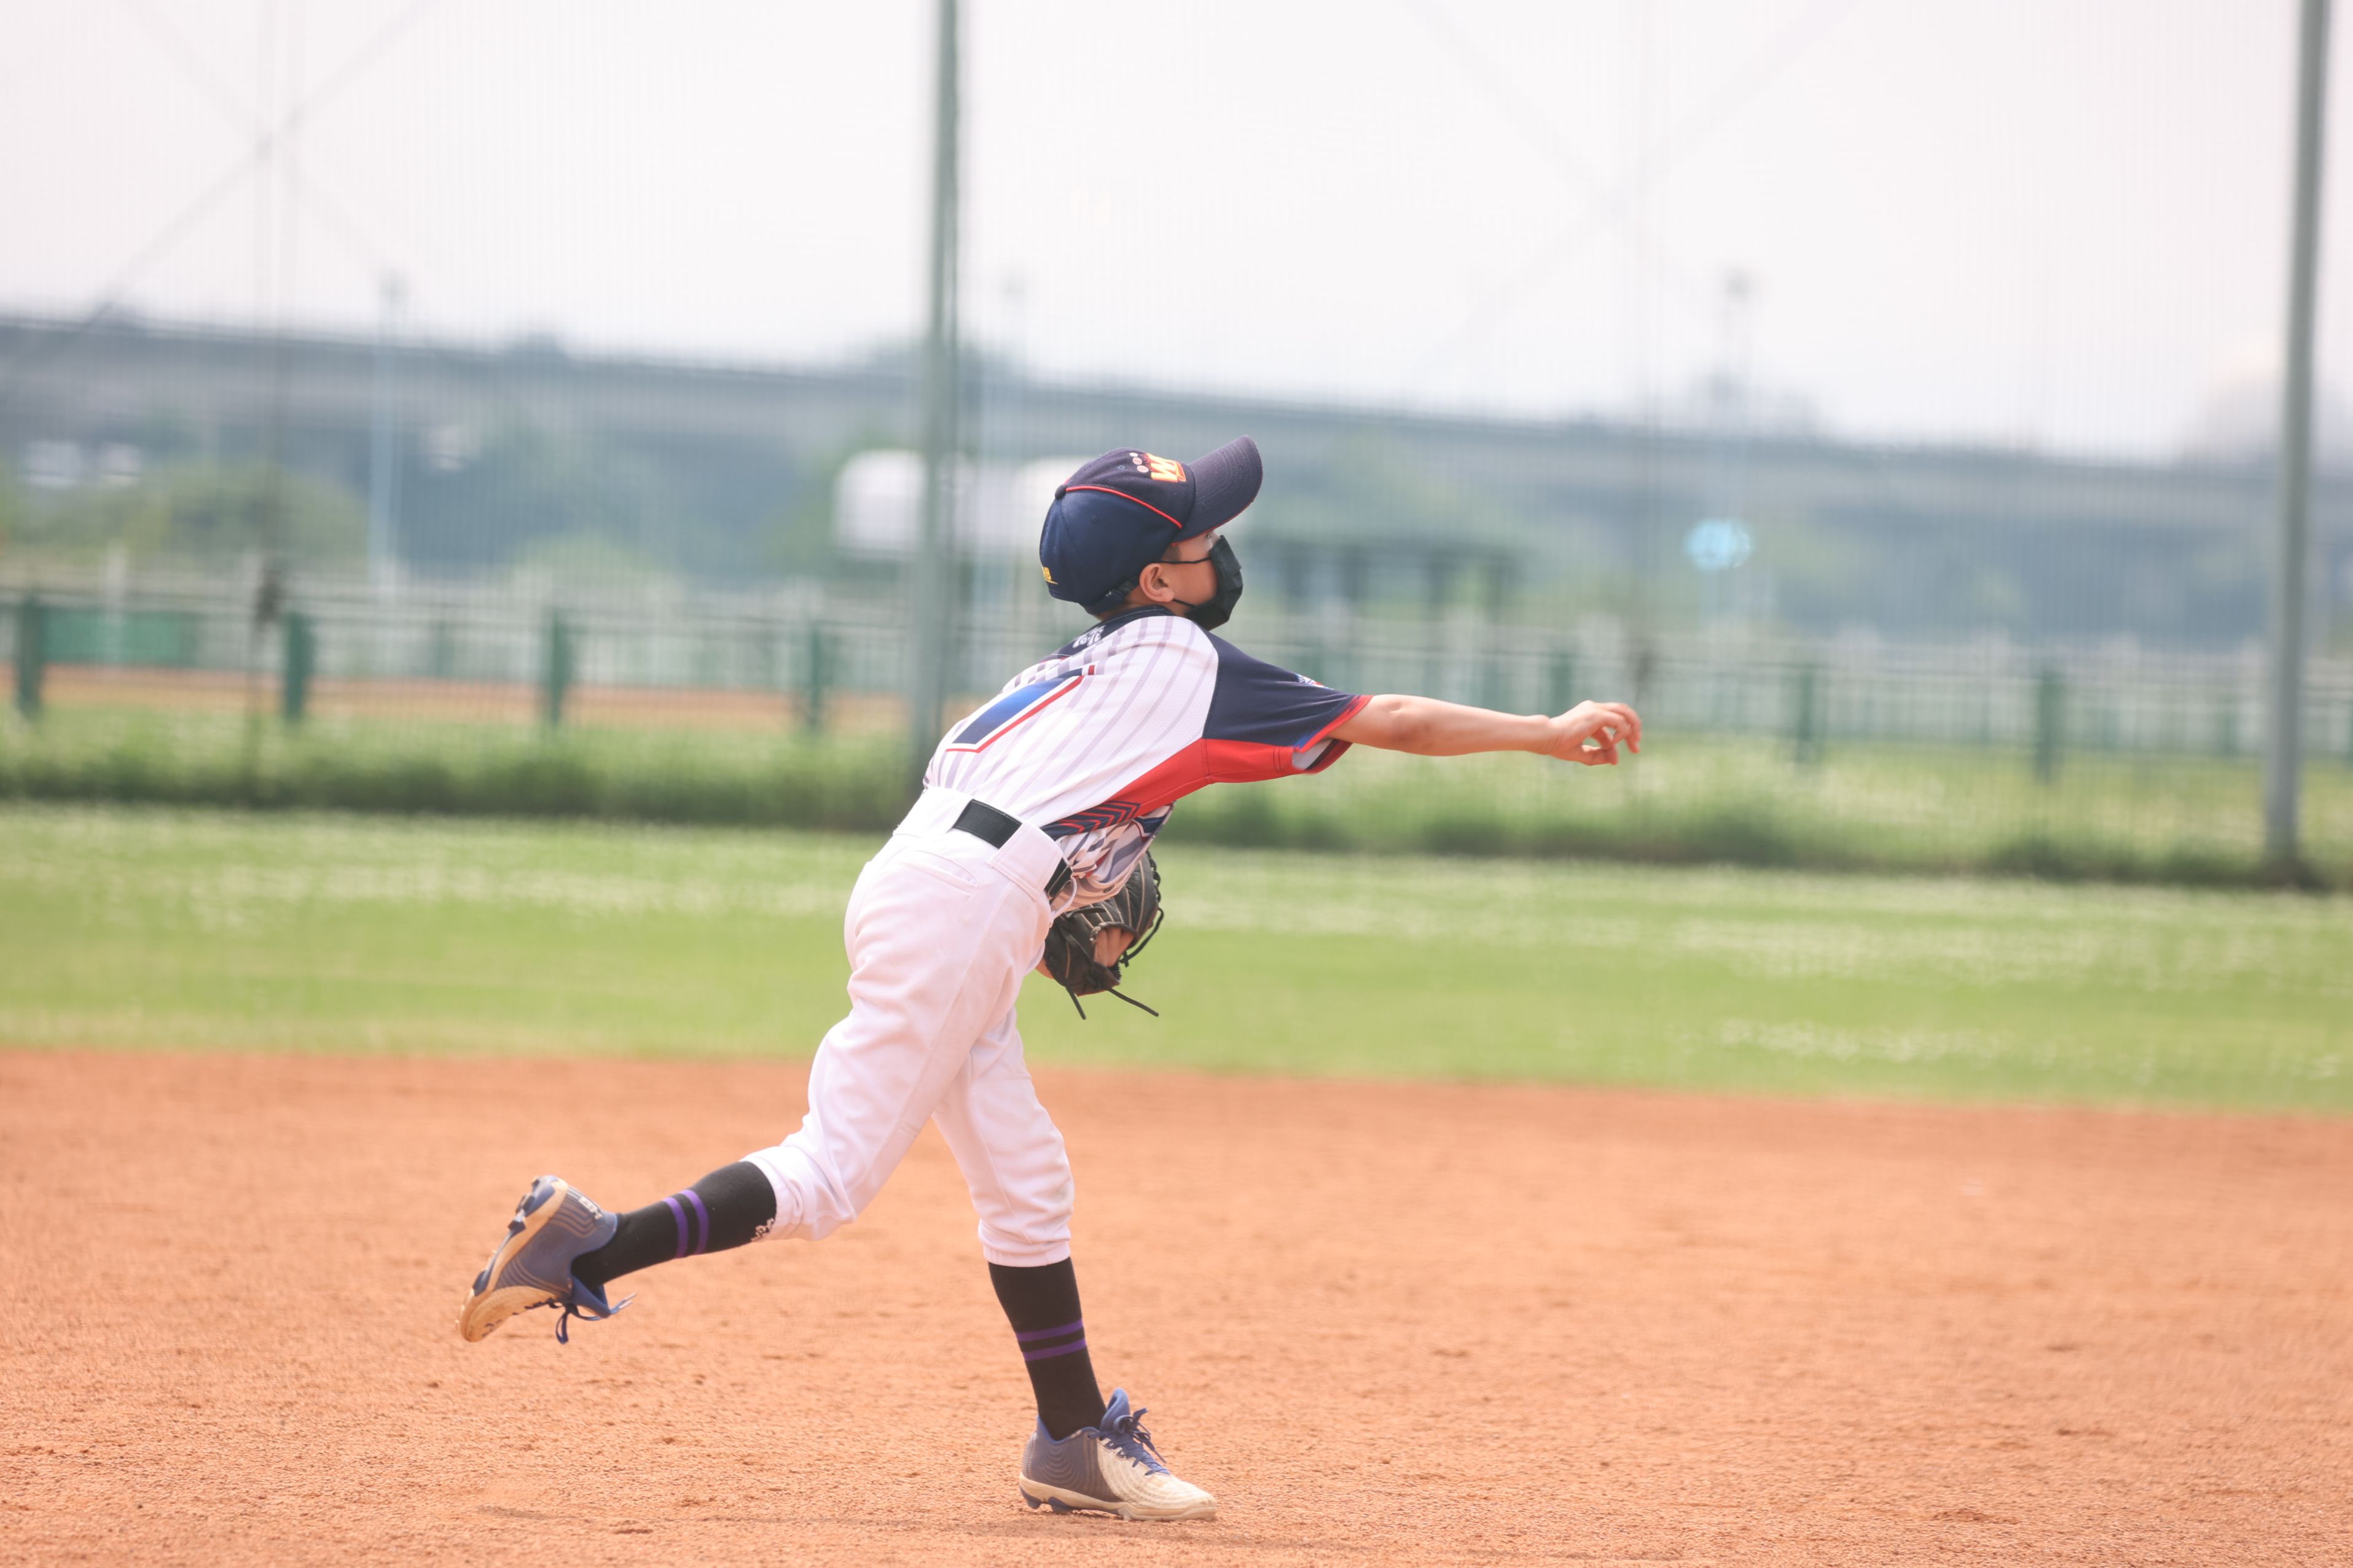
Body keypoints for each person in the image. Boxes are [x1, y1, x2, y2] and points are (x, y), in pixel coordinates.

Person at [456, 437, 1641, 1522]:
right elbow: (1398, 720)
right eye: (1200, 537)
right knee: (828, 1173)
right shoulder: (1184, 657)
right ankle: (589, 1245)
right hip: (971, 903)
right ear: (1158, 581)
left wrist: (1051, 899)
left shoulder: (1061, 669)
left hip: (935, 880)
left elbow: (1029, 809)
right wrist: (1546, 729)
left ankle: (1071, 1441)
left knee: (1025, 1179)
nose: (1219, 551)